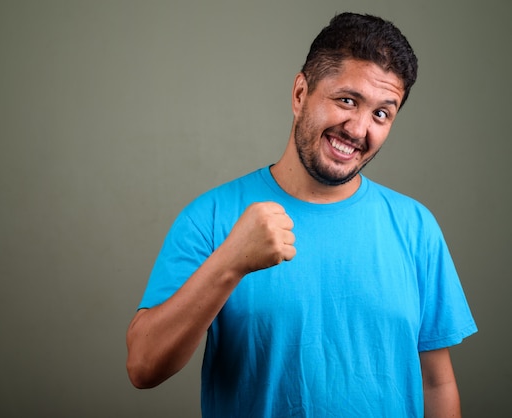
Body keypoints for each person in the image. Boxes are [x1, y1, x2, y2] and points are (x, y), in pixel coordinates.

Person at [126, 12, 477, 417]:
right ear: (299, 94)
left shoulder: (417, 228)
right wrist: (230, 264)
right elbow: (143, 366)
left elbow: (437, 381)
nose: (359, 128)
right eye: (347, 100)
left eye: (382, 113)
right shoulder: (210, 217)